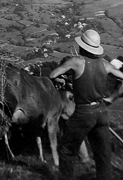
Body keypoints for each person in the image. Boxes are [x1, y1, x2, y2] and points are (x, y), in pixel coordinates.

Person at [49, 29, 123, 180]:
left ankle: (66, 177)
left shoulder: (76, 61)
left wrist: (62, 80)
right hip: (101, 111)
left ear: (82, 46)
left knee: (66, 150)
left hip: (83, 112)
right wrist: (112, 97)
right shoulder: (105, 64)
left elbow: (52, 75)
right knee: (103, 154)